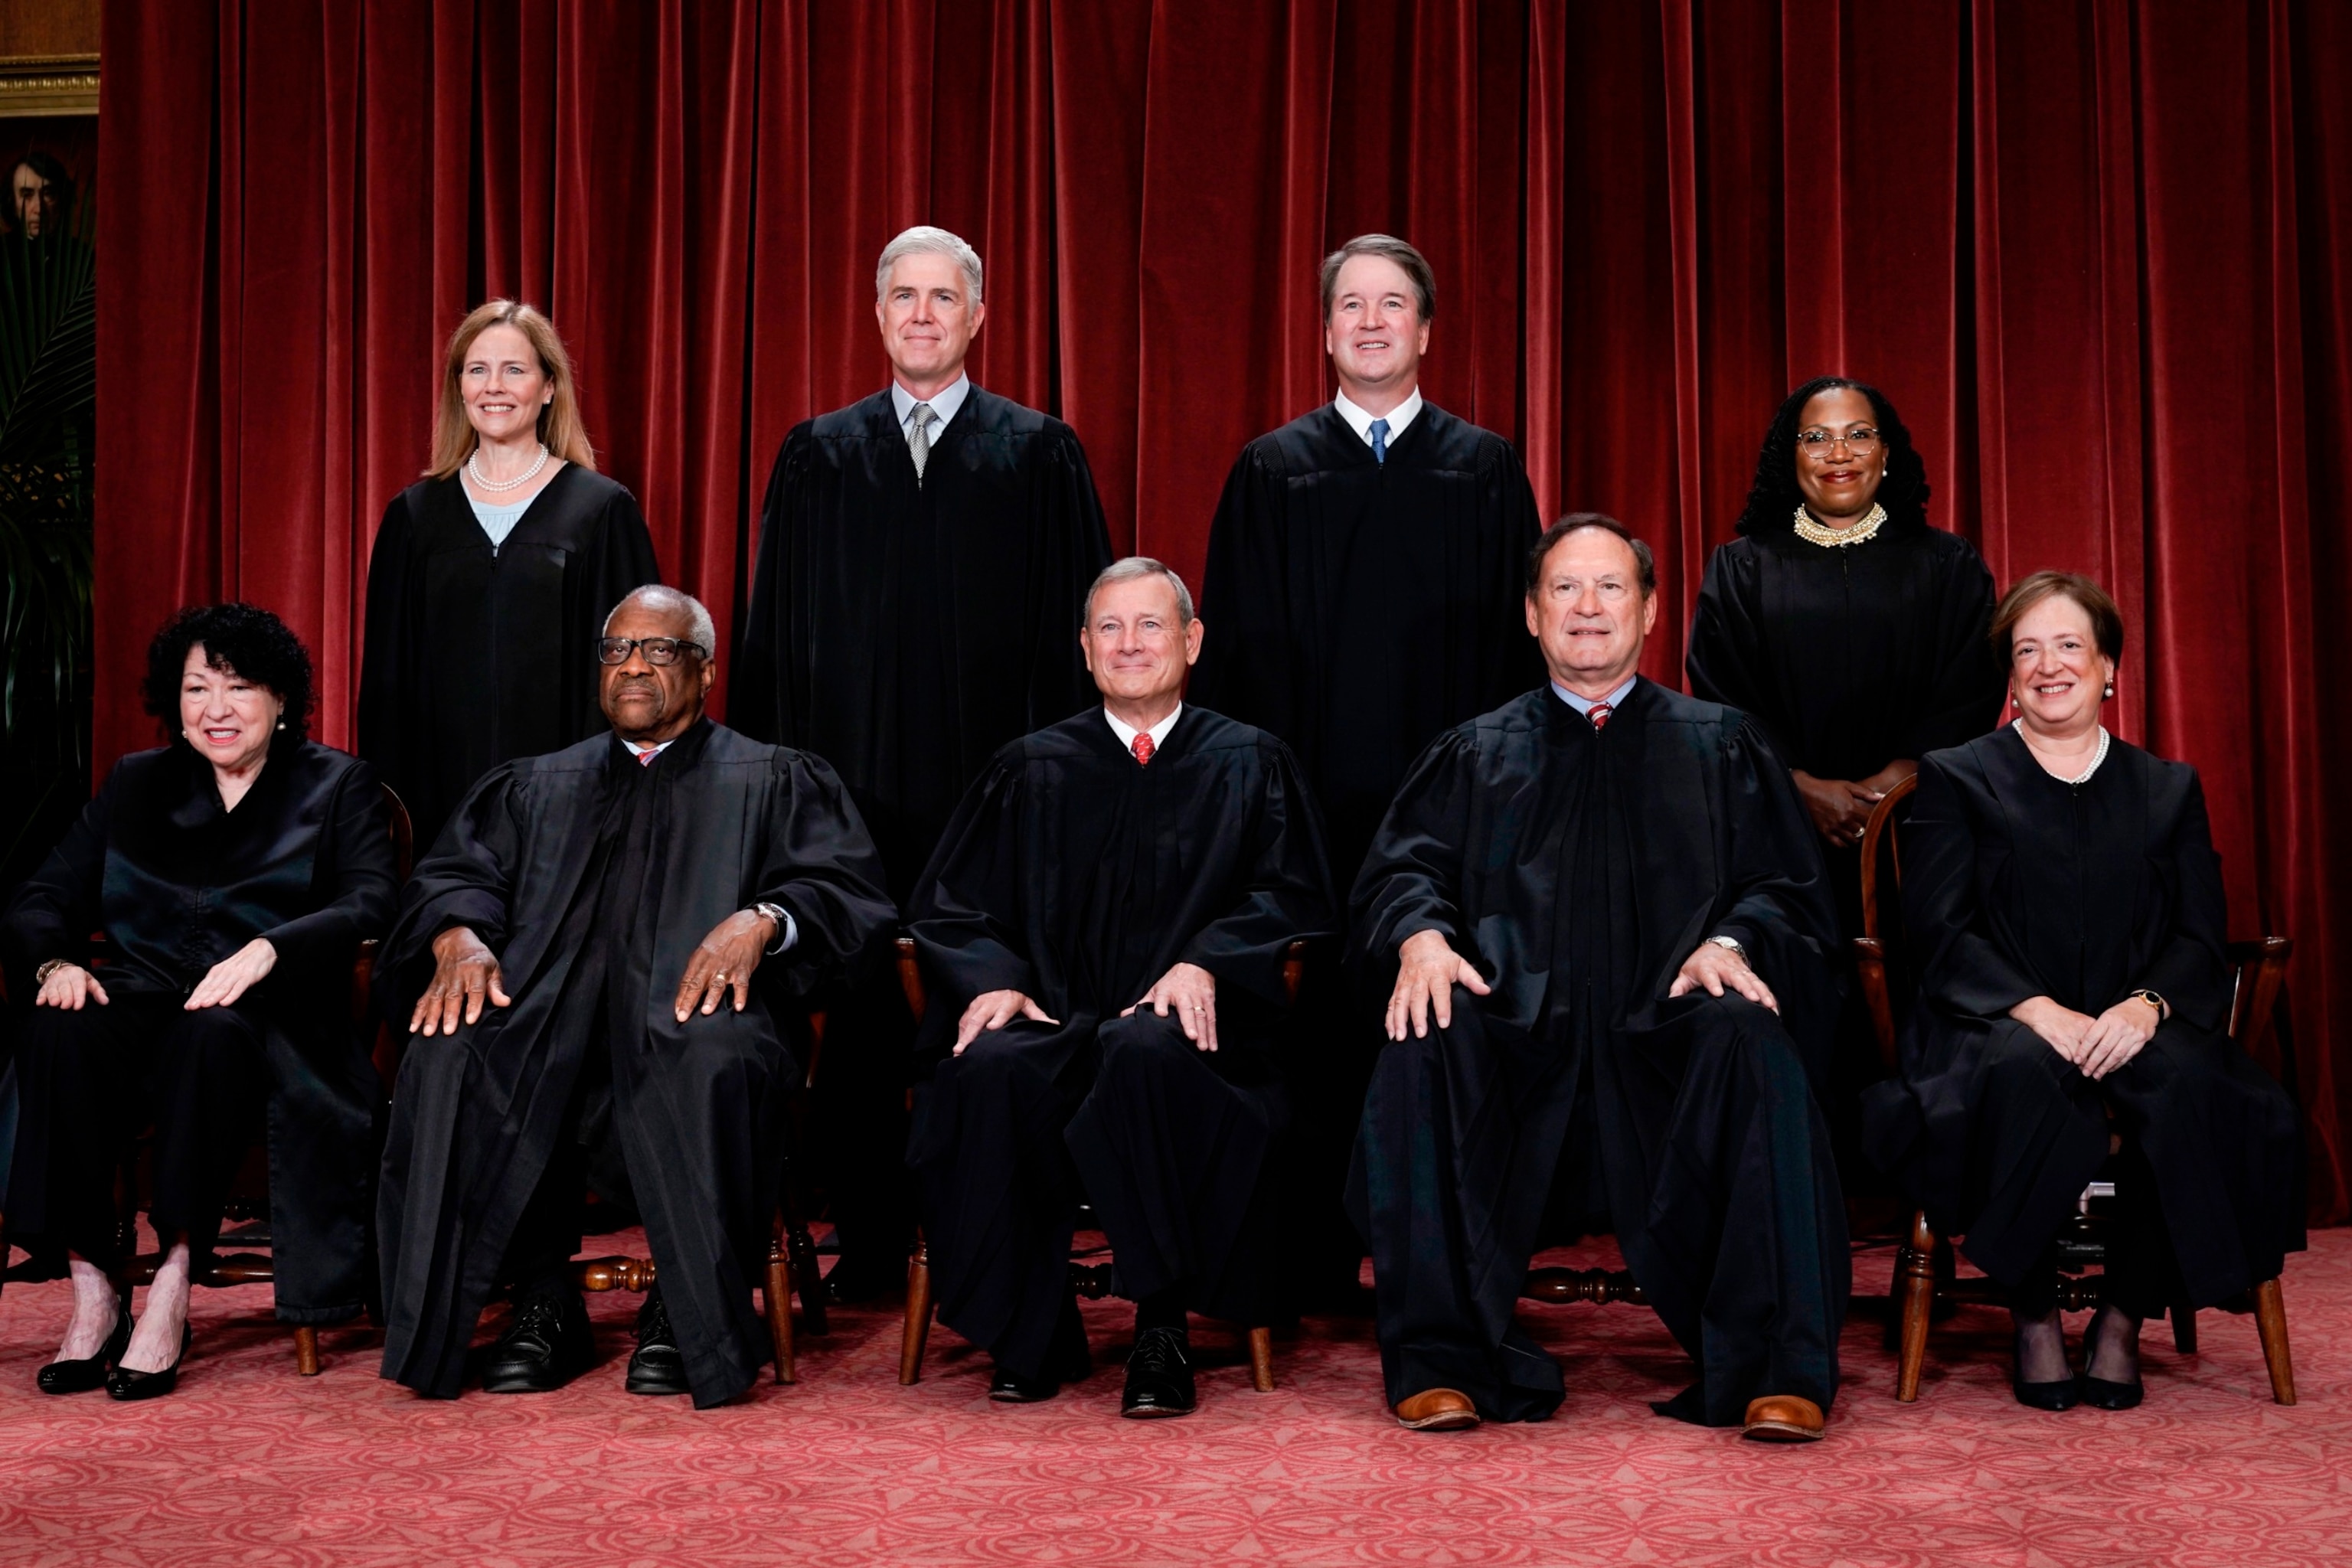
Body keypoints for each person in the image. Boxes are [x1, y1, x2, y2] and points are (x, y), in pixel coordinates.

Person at [1349, 514, 1848, 1440]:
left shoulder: (1721, 743)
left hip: (1670, 1033)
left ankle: (1775, 1367)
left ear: (1650, 610)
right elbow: (1402, 872)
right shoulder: (1475, 751)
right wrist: (1420, 937)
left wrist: (1733, 943)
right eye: (1565, 590)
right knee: (1426, 1034)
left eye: (1611, 587)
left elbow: (1788, 890)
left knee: (1750, 1037)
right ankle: (1441, 1358)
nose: (1588, 607)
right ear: (1533, 615)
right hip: (1516, 1038)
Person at [375, 586, 894, 1408]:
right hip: (546, 1016)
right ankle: (542, 1298)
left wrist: (765, 919)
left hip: (692, 1021)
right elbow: (454, 877)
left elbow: (847, 897)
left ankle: (683, 1312)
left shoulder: (774, 778)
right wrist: (457, 935)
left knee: (714, 1056)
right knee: (455, 1051)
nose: (633, 667)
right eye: (616, 650)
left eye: (660, 650)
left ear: (707, 670)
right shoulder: (534, 786)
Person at [733, 225, 1113, 1297]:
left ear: (979, 317)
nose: (922, 314)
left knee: (983, 1010)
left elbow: (1083, 642)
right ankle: (863, 1243)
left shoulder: (1039, 453)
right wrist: (778, 798)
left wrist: (1061, 795)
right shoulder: (818, 454)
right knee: (857, 1019)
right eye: (903, 295)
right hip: (849, 797)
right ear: (877, 312)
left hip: (993, 799)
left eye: (943, 297)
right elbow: (774, 638)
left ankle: (987, 1241)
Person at [1191, 233, 1542, 1305]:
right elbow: (1236, 662)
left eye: (1395, 305)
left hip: (1448, 820)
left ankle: (1440, 1259)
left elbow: (1515, 655)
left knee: (1437, 1022)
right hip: (1309, 806)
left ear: (1427, 331)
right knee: (1310, 1029)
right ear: (1327, 330)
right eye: (1353, 305)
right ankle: (1303, 1259)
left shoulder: (1483, 470)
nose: (1374, 322)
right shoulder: (1271, 471)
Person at [1860, 572, 2303, 1410]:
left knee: (2194, 1088)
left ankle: (2122, 1314)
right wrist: (2037, 1010)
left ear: (2110, 668)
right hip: (1996, 1016)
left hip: (2134, 1017)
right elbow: (1941, 931)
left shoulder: (2166, 788)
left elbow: (2200, 936)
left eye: (2068, 645)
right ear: (2010, 674)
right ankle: (2031, 1311)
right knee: (2025, 1077)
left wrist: (2147, 1006)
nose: (2047, 665)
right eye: (2027, 650)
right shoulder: (1960, 776)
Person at [908, 559, 1334, 1416]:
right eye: (1110, 627)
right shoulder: (1030, 767)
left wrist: (1207, 958)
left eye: (1149, 625)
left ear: (1191, 641)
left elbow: (1297, 895)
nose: (1130, 644)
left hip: (1194, 1036)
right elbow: (949, 905)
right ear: (1085, 646)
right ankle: (1029, 1330)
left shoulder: (1251, 762)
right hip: (1059, 1017)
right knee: (991, 1068)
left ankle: (1162, 1325)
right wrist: (995, 981)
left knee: (1146, 1051)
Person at [5, 603, 397, 1400]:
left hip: (272, 1014)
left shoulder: (337, 783)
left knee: (209, 1035)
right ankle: (93, 1284)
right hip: (142, 993)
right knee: (61, 1028)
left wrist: (271, 947)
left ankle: (174, 1281)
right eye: (196, 688)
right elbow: (44, 893)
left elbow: (371, 900)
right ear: (172, 700)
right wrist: (54, 961)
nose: (216, 709)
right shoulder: (135, 782)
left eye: (240, 686)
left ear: (281, 698)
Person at [1686, 376, 2005, 1185]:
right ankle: (1801, 1181)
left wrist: (1901, 778)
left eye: (1857, 435)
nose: (1838, 454)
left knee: (1918, 986)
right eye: (1816, 437)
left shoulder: (1947, 564)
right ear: (1787, 455)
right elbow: (1722, 697)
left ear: (1887, 452)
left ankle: (1918, 1181)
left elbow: (1972, 683)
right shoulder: (1742, 568)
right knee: (1801, 989)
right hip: (1779, 833)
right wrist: (1802, 786)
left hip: (1921, 832)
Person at [358, 299, 661, 854]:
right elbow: (387, 686)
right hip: (440, 811)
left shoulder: (600, 512)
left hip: (575, 811)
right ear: (460, 388)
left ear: (548, 387)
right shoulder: (416, 517)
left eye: (514, 370)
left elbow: (635, 675)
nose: (494, 387)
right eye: (478, 370)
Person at [10, 152, 69, 237]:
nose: (39, 209)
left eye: (48, 194)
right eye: (26, 195)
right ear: (13, 203)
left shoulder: (83, 250)